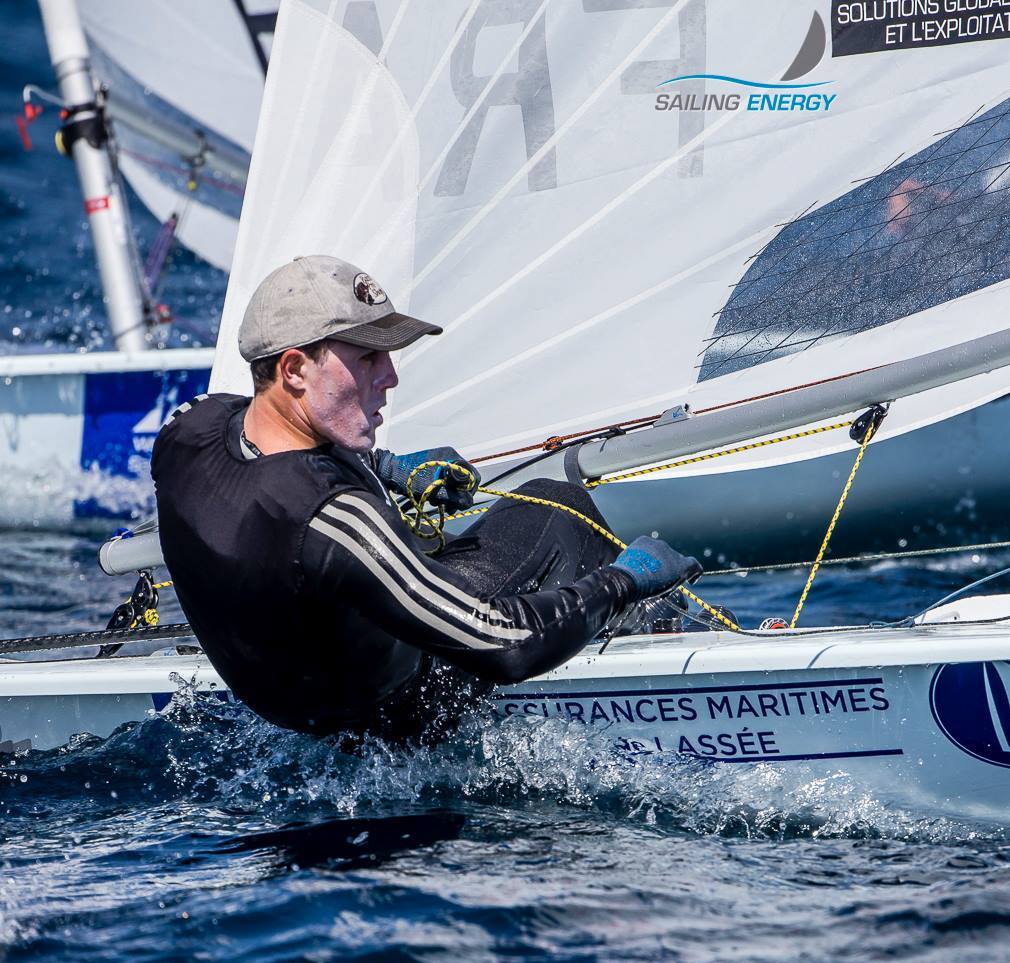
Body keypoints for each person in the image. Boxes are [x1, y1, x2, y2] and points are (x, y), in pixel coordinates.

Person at [151, 255, 701, 743]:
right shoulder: (334, 519)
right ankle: (659, 624)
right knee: (556, 506)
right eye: (367, 358)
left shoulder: (186, 431)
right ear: (294, 368)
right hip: (391, 718)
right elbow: (502, 647)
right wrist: (625, 580)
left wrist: (387, 469)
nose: (389, 377)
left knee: (437, 545)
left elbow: (262, 474)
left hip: (284, 698)